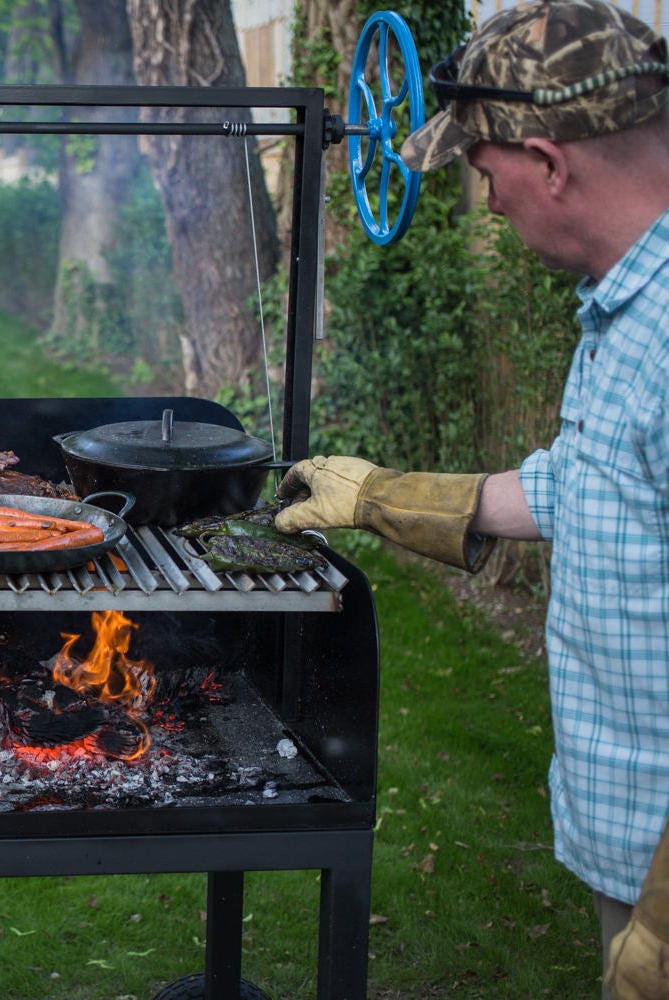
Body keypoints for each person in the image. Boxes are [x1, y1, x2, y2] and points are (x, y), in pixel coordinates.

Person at [271, 1, 669, 995]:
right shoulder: (632, 310)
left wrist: (663, 921)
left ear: (548, 160)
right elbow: (591, 491)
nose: (489, 206)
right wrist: (384, 498)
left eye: (487, 176)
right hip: (631, 848)